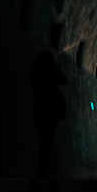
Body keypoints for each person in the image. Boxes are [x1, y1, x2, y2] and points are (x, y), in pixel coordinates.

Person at [29, 51, 68, 179]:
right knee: (47, 140)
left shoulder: (34, 72)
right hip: (51, 110)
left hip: (39, 108)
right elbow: (64, 81)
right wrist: (56, 70)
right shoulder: (50, 72)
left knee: (44, 139)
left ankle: (42, 168)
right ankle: (42, 169)